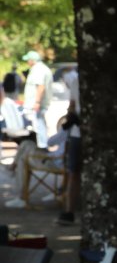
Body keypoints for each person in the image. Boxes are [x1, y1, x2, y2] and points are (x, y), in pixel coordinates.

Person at [55, 62, 81, 225]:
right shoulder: (77, 81)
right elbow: (72, 105)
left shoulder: (77, 81)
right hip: (77, 133)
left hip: (82, 133)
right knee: (73, 173)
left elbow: (72, 105)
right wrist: (71, 119)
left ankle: (69, 211)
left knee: (74, 173)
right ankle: (69, 211)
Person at [22, 49, 52, 135]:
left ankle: (42, 143)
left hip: (36, 104)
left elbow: (41, 86)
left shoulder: (38, 69)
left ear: (32, 60)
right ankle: (42, 142)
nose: (27, 62)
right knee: (40, 125)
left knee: (39, 126)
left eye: (28, 60)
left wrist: (37, 102)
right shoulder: (41, 68)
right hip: (38, 104)